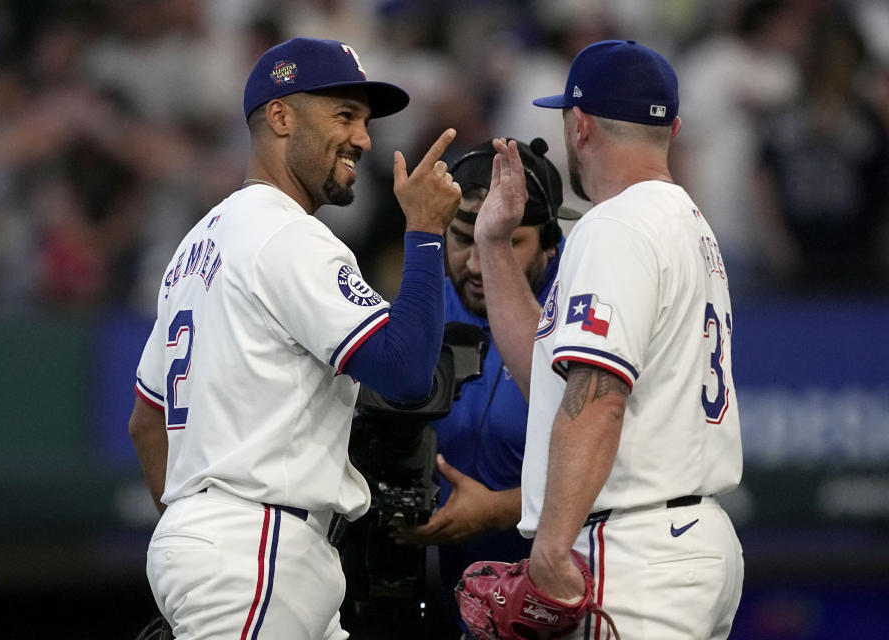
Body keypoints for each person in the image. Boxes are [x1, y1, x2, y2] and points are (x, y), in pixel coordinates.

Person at [127, 37, 461, 640]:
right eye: (344, 115)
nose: (363, 137)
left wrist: (191, 531)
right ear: (280, 117)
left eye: (364, 120)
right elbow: (408, 371)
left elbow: (147, 422)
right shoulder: (286, 236)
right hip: (254, 547)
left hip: (243, 547)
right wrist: (426, 232)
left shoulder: (196, 245)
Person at [471, 40, 744, 639]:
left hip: (635, 550)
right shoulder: (687, 224)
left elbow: (598, 397)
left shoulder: (616, 226)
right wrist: (494, 247)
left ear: (580, 123)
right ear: (670, 128)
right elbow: (547, 373)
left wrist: (550, 547)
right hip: (681, 543)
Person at [392, 138, 568, 639]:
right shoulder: (417, 307)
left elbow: (617, 472)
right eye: (463, 237)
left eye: (507, 242)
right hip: (444, 601)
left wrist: (498, 511)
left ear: (550, 243)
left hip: (561, 598)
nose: (475, 264)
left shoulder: (580, 316)